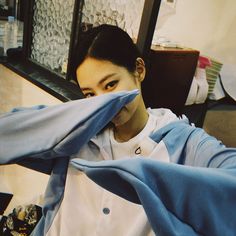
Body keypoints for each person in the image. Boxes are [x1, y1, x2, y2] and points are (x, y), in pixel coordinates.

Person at [0, 24, 236, 236]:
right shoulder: (78, 135)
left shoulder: (184, 142)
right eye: (90, 94)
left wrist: (150, 178)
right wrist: (82, 111)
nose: (103, 102)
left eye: (111, 85)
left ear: (139, 70)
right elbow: (5, 135)